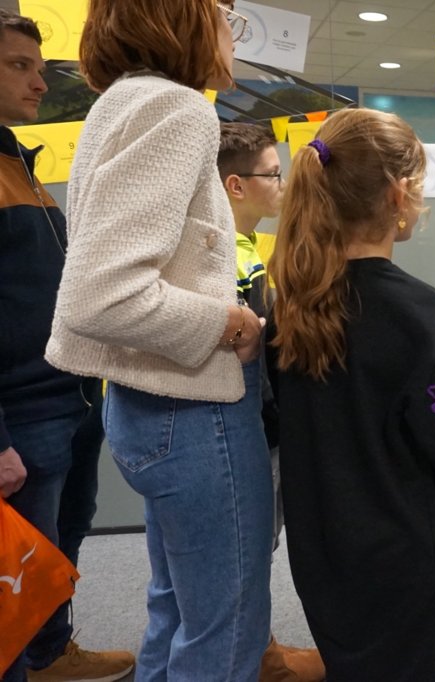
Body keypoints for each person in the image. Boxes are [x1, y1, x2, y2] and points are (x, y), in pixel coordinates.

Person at [45, 2, 274, 680]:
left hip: (152, 400)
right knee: (225, 629)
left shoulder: (123, 101)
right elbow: (102, 295)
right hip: (193, 405)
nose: (232, 29)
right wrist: (230, 322)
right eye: (223, 12)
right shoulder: (176, 108)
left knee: (178, 610)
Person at [266, 108, 435, 681]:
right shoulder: (424, 314)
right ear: (398, 193)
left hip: (319, 543)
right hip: (401, 545)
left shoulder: (288, 306)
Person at [0, 9, 134, 682]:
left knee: (58, 546)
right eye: (18, 66)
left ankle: (50, 654)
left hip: (71, 396)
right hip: (21, 414)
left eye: (39, 67)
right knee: (15, 573)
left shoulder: (20, 166)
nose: (40, 83)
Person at [216, 122, 325, 682]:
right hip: (246, 431)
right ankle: (254, 657)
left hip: (259, 427)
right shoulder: (221, 258)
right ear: (236, 185)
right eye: (273, 174)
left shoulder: (246, 248)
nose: (283, 185)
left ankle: (259, 648)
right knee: (244, 552)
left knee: (252, 550)